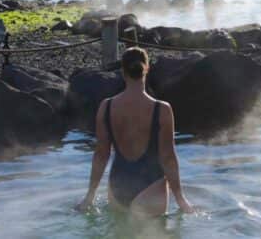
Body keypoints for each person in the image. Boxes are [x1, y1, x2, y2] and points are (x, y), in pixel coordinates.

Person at [75, 47, 194, 216]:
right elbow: (168, 157)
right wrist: (181, 199)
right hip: (151, 189)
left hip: (118, 187)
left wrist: (90, 196)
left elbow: (101, 154)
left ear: (123, 72)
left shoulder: (106, 107)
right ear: (147, 68)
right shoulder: (162, 109)